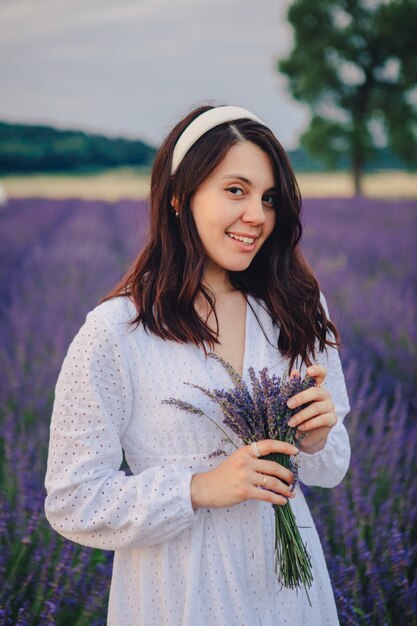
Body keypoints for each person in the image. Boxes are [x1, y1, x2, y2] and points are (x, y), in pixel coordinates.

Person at [45, 104, 350, 625]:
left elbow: (333, 464)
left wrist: (317, 439)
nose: (257, 214)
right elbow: (72, 500)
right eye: (236, 190)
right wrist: (197, 488)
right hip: (178, 595)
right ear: (179, 197)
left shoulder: (297, 305)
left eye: (269, 197)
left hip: (289, 591)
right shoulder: (117, 332)